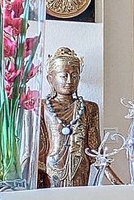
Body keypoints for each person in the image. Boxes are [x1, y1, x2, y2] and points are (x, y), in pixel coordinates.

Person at [39, 47, 101, 187]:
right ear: (50, 79)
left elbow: (95, 151)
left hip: (80, 168)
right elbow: (38, 150)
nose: (69, 81)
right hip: (52, 168)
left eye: (74, 76)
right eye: (63, 76)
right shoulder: (42, 107)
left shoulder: (90, 108)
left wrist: (115, 180)